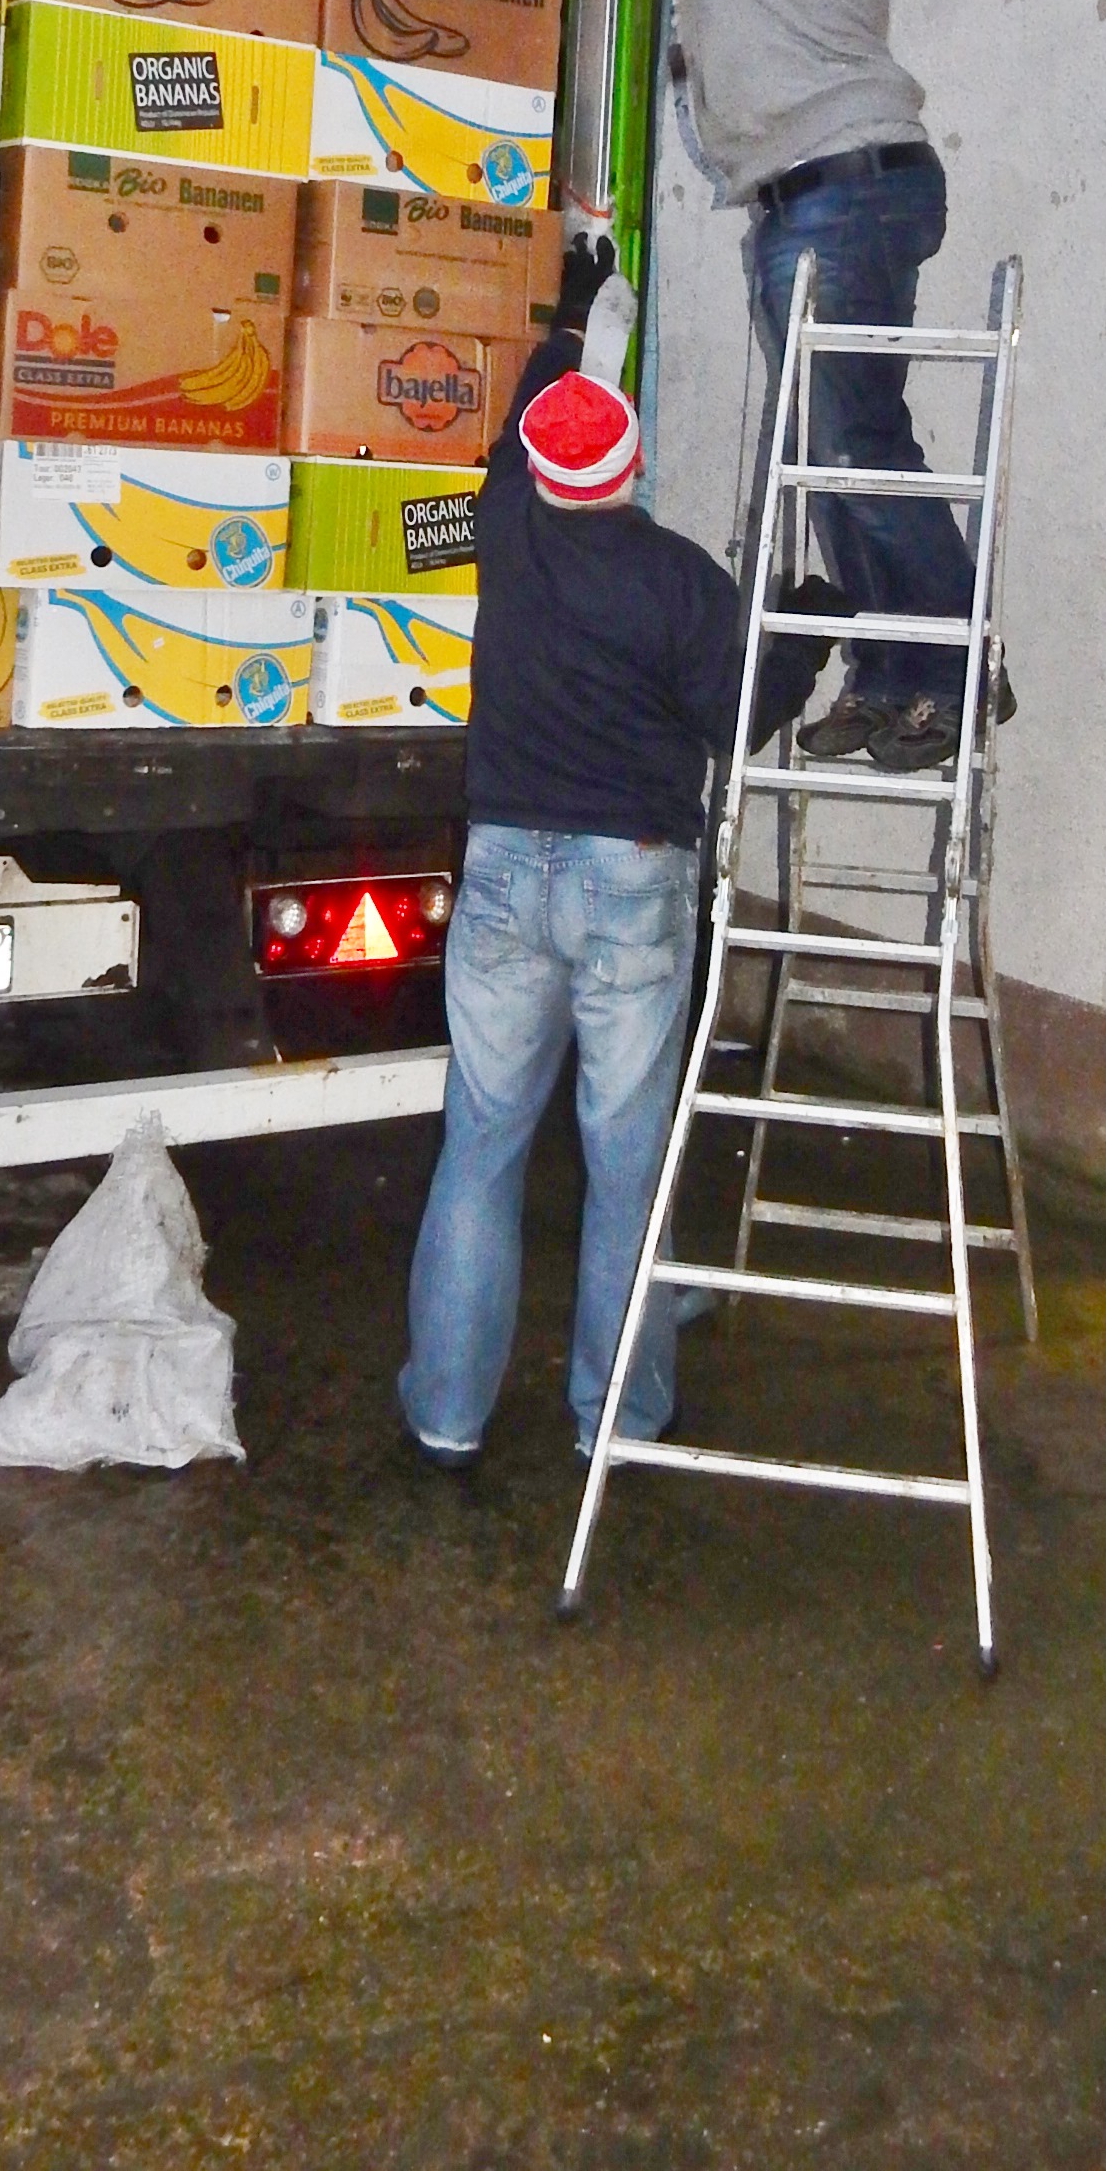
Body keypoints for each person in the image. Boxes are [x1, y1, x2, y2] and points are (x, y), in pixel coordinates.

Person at [497, 0, 986, 775]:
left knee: (850, 447)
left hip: (830, 195)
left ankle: (955, 667)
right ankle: (896, 675)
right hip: (870, 184)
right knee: (835, 446)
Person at [396, 240, 739, 1470]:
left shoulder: (506, 527)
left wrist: (572, 326)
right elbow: (738, 717)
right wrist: (801, 634)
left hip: (503, 874)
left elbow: (522, 426)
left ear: (536, 470)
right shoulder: (682, 584)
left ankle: (447, 1414)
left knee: (481, 1147)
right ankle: (617, 1417)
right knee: (624, 1165)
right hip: (631, 880)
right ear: (630, 465)